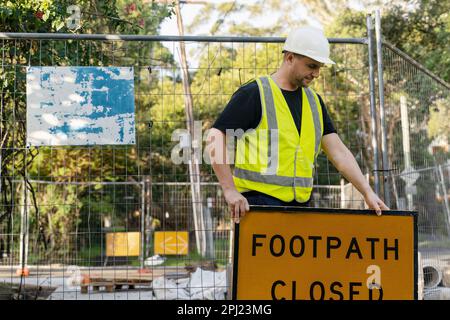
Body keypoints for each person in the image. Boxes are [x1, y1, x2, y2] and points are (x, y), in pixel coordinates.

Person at [206, 26, 389, 223]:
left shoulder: (314, 102)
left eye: (319, 67)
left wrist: (367, 192)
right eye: (311, 66)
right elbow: (216, 136)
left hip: (301, 207)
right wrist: (229, 190)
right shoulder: (255, 93)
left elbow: (339, 153)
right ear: (290, 58)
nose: (317, 73)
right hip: (258, 206)